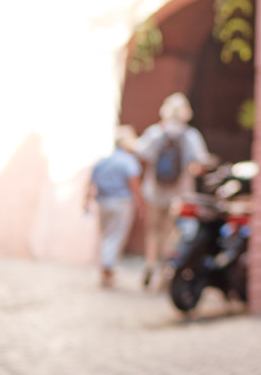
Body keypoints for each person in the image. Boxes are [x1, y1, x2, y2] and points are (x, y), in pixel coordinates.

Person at [134, 92, 209, 289]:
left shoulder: (155, 133)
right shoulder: (191, 136)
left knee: (153, 231)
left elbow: (141, 151)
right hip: (179, 192)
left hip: (154, 190)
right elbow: (201, 161)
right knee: (171, 232)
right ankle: (163, 273)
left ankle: (150, 263)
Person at [85, 126, 144, 288]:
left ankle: (106, 269)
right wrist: (140, 204)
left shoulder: (104, 161)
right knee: (115, 236)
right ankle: (107, 269)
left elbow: (90, 183)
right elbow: (134, 185)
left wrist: (86, 201)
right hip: (120, 202)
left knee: (107, 235)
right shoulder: (128, 161)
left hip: (103, 202)